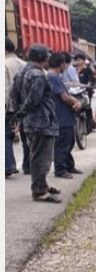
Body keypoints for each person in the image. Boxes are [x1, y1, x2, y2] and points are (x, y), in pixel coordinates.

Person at [10, 44, 62, 202]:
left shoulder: (22, 72)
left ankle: (42, 184)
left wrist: (20, 115)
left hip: (31, 123)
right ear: (42, 58)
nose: (48, 59)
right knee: (42, 158)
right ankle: (39, 190)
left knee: (36, 155)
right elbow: (34, 99)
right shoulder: (38, 75)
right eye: (47, 56)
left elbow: (14, 95)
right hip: (41, 122)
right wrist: (22, 112)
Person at [48, 52, 83, 179]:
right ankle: (60, 169)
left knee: (69, 141)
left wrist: (75, 101)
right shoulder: (54, 77)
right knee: (63, 143)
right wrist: (76, 102)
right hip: (61, 116)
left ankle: (69, 165)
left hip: (63, 115)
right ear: (62, 64)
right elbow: (64, 97)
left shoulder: (54, 77)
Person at [5, 37, 26, 178]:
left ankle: (9, 166)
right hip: (24, 105)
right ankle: (28, 164)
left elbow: (5, 90)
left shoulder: (4, 64)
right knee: (26, 136)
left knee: (6, 136)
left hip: (10, 106)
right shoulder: (24, 64)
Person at [74, 53, 96, 131]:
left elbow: (92, 80)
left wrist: (90, 84)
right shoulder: (73, 70)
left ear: (84, 61)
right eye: (76, 60)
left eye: (79, 60)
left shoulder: (88, 70)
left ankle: (90, 124)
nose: (78, 62)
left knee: (87, 107)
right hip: (75, 91)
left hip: (86, 92)